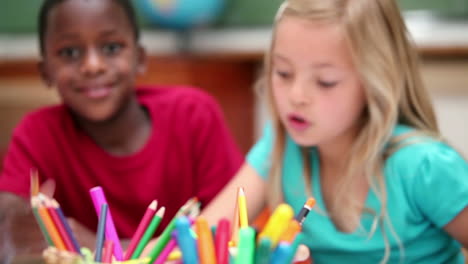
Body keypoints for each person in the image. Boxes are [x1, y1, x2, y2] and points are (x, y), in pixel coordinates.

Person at [202, 0, 468, 263]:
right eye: (283, 72)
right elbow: (202, 235)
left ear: (375, 81)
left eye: (325, 82)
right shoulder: (281, 146)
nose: (297, 96)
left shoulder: (424, 166)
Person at [0, 0, 243, 256]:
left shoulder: (193, 115)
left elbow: (233, 229)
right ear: (45, 71)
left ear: (140, 59)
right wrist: (18, 221)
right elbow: (9, 226)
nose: (93, 66)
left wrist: (105, 250)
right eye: (69, 52)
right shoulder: (38, 134)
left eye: (111, 47)